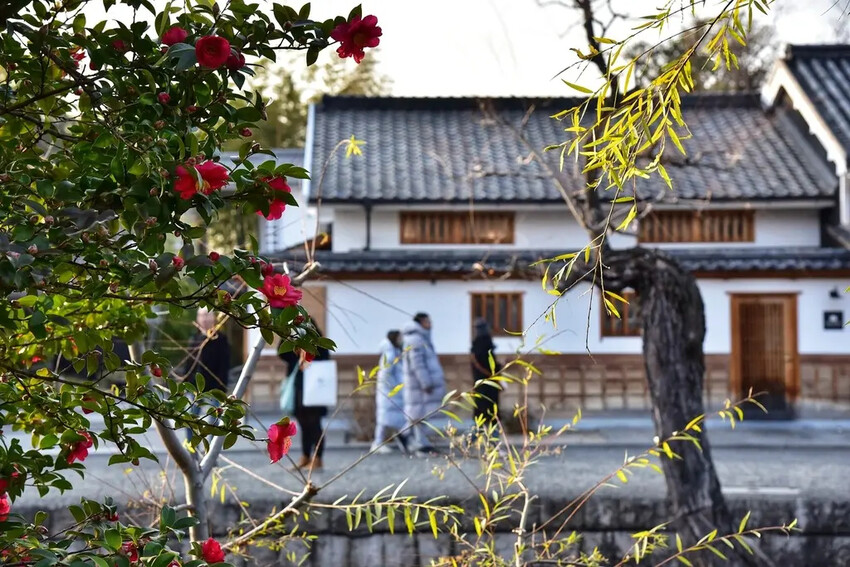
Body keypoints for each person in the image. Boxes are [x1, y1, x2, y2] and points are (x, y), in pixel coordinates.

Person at [279, 323, 331, 470]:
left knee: (314, 424)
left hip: (315, 391)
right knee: (303, 424)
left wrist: (310, 360)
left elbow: (324, 361)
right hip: (299, 392)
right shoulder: (294, 347)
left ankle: (318, 458)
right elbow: (281, 353)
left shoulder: (319, 346)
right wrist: (286, 333)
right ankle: (305, 456)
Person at [401, 312, 446, 456]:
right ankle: (419, 443)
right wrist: (425, 382)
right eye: (428, 321)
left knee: (419, 415)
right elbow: (418, 364)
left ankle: (411, 438)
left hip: (419, 385)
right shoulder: (416, 340)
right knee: (419, 415)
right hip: (419, 385)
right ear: (421, 322)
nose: (430, 324)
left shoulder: (420, 338)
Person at [184, 309, 231, 440]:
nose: (204, 319)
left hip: (214, 387)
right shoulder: (195, 338)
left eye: (207, 315)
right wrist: (185, 384)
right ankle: (191, 449)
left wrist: (222, 386)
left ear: (213, 318)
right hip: (195, 387)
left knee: (214, 421)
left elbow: (224, 364)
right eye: (201, 316)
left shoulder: (220, 339)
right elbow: (189, 365)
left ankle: (210, 452)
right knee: (191, 419)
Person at [371, 330, 409, 453]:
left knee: (386, 419)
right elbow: (385, 374)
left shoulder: (394, 352)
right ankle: (378, 442)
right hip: (390, 392)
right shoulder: (390, 354)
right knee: (386, 419)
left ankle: (379, 442)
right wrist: (395, 387)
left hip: (391, 392)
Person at [470, 318, 502, 433]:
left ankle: (474, 436)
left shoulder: (475, 345)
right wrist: (499, 369)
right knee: (491, 411)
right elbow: (490, 365)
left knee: (480, 410)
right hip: (489, 383)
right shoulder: (486, 343)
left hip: (480, 382)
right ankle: (493, 439)